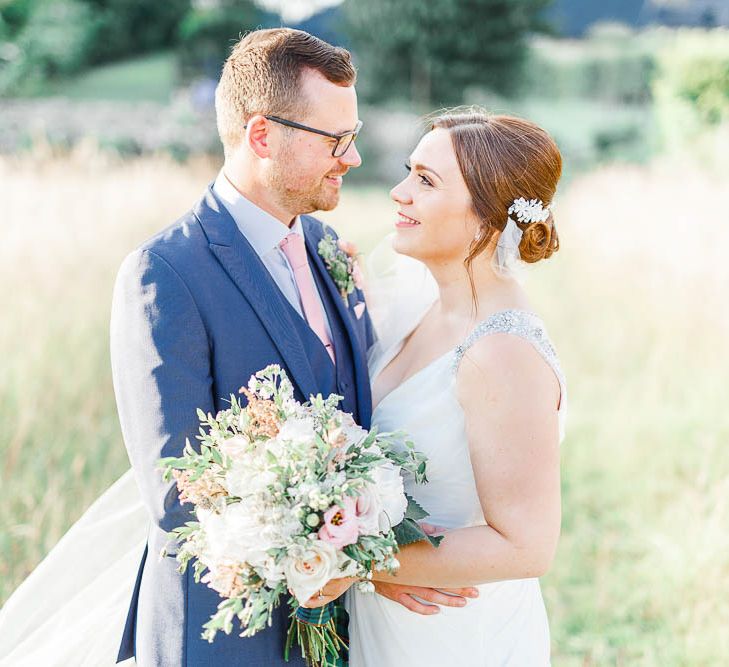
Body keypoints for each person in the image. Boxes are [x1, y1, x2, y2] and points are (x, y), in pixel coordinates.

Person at [0, 28, 474, 667]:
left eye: (353, 136)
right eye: (336, 140)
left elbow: (357, 421)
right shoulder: (165, 274)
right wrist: (368, 565)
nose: (353, 159)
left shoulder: (329, 250)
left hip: (335, 635)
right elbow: (180, 498)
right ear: (261, 135)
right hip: (222, 639)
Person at [332, 109, 565, 665]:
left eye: (426, 182)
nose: (399, 192)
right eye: (410, 171)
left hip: (454, 634)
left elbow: (527, 544)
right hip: (392, 620)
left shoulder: (500, 353)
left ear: (487, 220)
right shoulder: (423, 306)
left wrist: (345, 561)